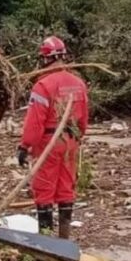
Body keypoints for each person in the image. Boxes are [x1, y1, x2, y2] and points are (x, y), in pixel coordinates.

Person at [18, 36, 89, 239]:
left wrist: (25, 146)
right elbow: (83, 120)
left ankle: (46, 242)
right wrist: (76, 139)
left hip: (48, 144)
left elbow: (35, 122)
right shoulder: (79, 84)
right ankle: (64, 239)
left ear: (45, 58)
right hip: (70, 141)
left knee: (44, 191)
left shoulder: (42, 86)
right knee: (66, 187)